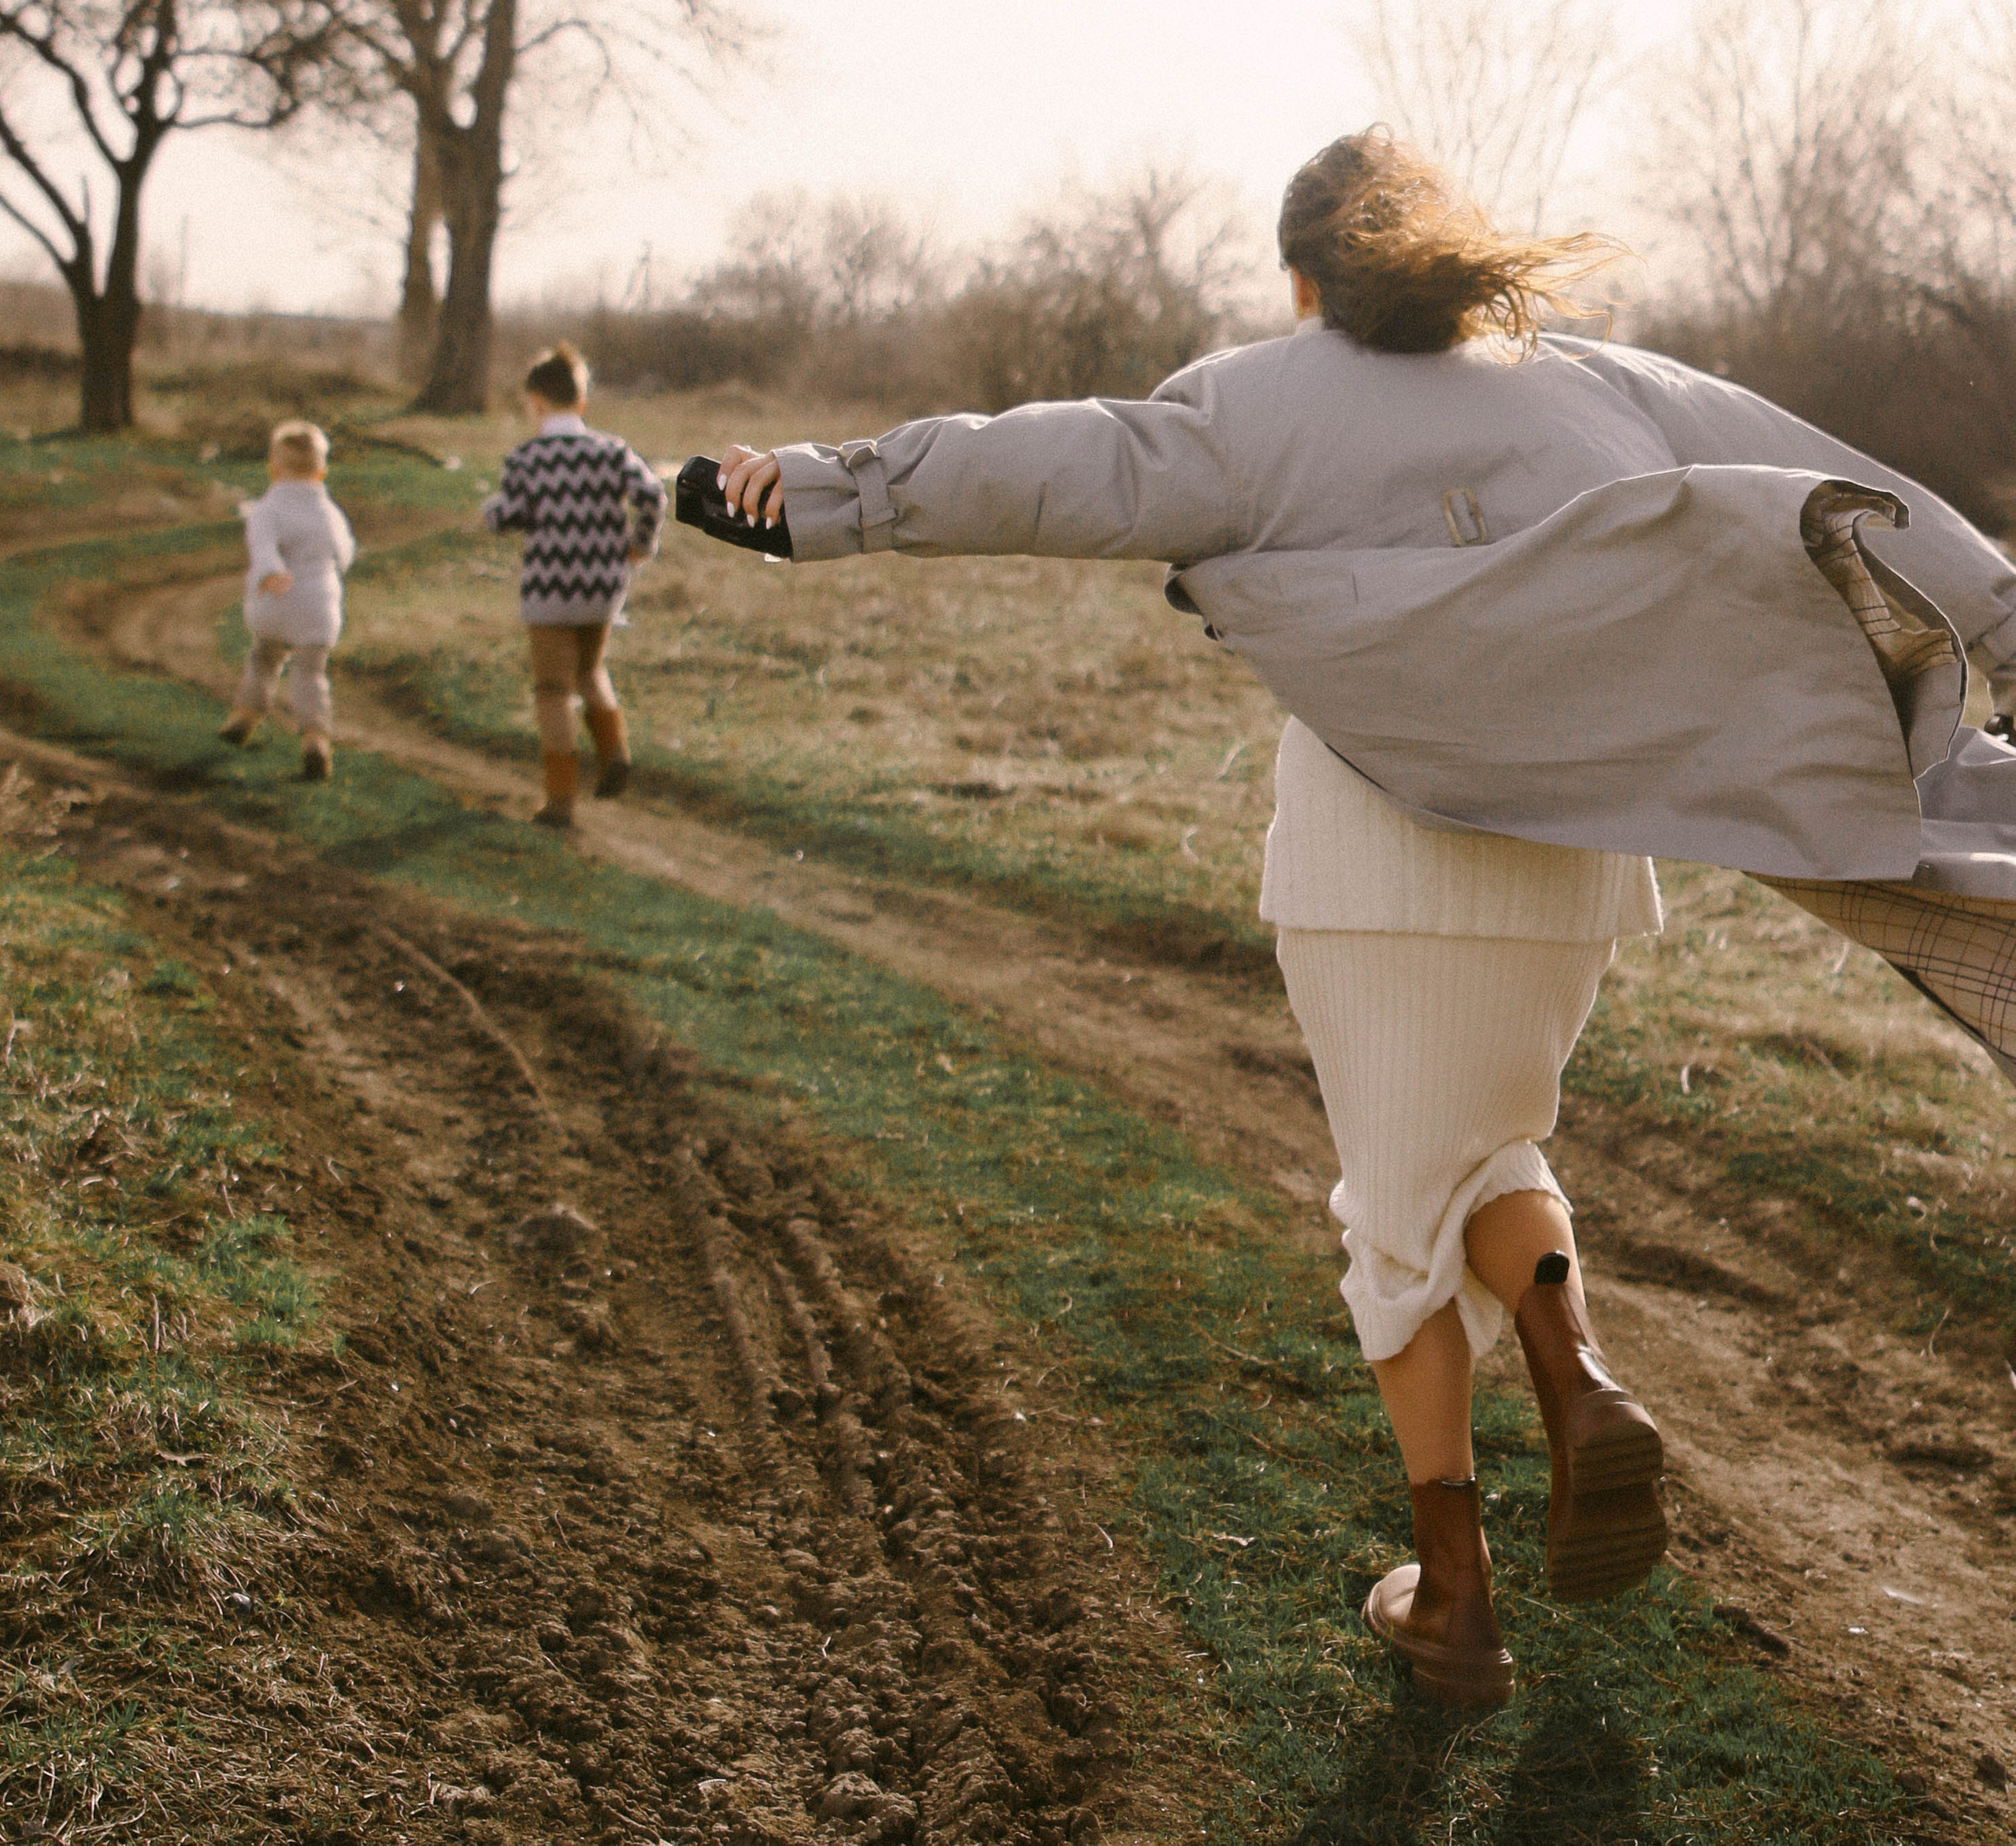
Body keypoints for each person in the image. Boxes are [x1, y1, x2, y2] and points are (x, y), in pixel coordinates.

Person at [695, 130, 2016, 1713]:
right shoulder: (1586, 377)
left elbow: (1050, 467)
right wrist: (2003, 626)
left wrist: (823, 490)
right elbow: (1833, 482)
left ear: (1301, 279)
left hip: (1378, 844)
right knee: (1491, 1148)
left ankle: (1455, 1593)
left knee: (1394, 1215)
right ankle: (1577, 1386)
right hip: (1575, 845)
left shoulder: (1249, 403)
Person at [482, 343, 667, 830]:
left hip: (550, 590)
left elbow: (512, 515)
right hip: (604, 587)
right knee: (590, 670)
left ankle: (561, 799)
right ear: (581, 402)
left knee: (552, 691)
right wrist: (640, 544)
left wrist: (491, 512)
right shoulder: (612, 451)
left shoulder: (527, 459)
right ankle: (614, 751)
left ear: (536, 403)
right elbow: (652, 494)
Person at [219, 421, 357, 783]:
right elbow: (345, 553)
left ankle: (244, 718)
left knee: (264, 660)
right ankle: (315, 742)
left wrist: (271, 572)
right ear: (322, 471)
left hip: (276, 601)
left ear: (273, 468)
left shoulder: (268, 509)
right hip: (317, 605)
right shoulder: (330, 512)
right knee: (310, 674)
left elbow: (262, 545)